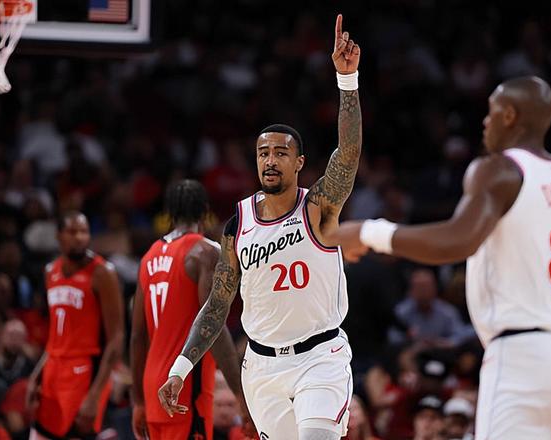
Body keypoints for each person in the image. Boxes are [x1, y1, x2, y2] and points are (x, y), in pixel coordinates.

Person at [334, 76, 551, 439]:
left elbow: (457, 240)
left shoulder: (498, 170)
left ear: (510, 115)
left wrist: (368, 232)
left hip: (524, 357)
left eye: (492, 112)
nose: (485, 122)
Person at [159, 14, 362, 440]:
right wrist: (180, 367)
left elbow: (347, 154)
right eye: (263, 153)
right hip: (261, 366)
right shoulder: (238, 225)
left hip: (319, 359)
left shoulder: (318, 208)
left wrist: (347, 81)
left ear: (299, 163)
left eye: (280, 153)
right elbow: (216, 306)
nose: (270, 160)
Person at [130, 180, 254, 440]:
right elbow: (214, 326)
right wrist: (240, 396)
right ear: (205, 211)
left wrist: (138, 400)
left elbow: (138, 336)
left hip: (152, 387)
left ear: (169, 213)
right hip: (184, 389)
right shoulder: (205, 252)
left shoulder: (149, 257)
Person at [26, 211, 124, 439]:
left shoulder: (103, 273)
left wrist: (96, 394)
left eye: (84, 232)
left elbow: (116, 337)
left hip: (83, 369)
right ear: (59, 235)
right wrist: (37, 375)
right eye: (72, 232)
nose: (79, 237)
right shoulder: (50, 271)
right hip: (53, 367)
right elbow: (55, 333)